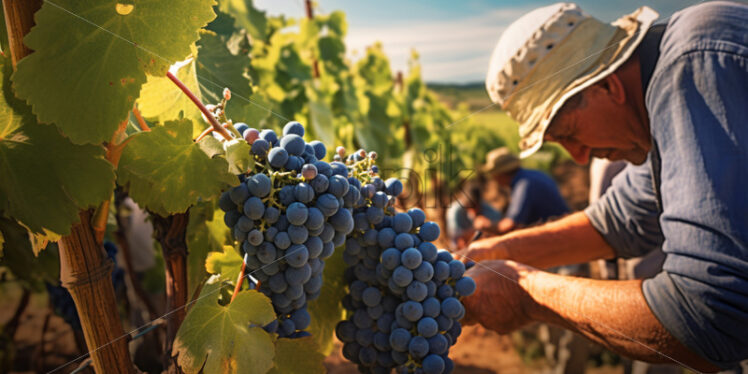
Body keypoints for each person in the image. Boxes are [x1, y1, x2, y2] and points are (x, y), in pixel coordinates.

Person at [459, 2, 748, 372]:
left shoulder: (693, 68)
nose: (579, 157)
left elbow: (710, 314)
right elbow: (621, 219)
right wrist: (498, 250)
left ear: (608, 85)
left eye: (569, 135)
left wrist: (525, 294)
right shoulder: (661, 104)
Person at [475, 147, 569, 234]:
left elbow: (510, 226)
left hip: (557, 234)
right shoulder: (533, 175)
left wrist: (486, 225)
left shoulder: (523, 185)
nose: (493, 178)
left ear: (500, 174)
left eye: (493, 174)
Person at [445, 176, 502, 249]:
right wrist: (475, 229)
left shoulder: (489, 210)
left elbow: (499, 231)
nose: (473, 209)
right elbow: (456, 238)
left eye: (475, 206)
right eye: (470, 206)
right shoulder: (455, 210)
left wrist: (490, 226)